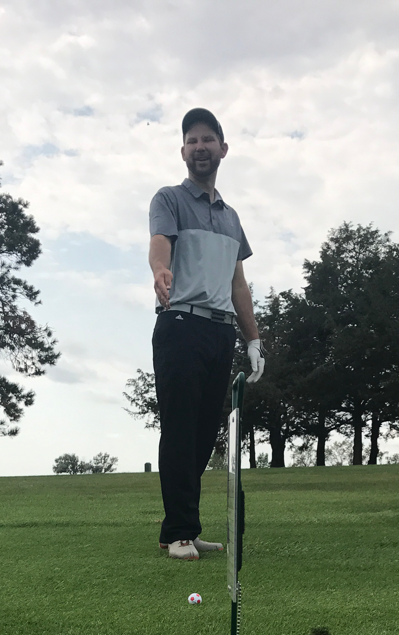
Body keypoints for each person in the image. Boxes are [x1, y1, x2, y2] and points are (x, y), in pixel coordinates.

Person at [148, 107, 264, 561]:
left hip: (220, 332)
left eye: (207, 140)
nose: (200, 147)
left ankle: (181, 528)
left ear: (223, 149)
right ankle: (180, 531)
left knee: (201, 436)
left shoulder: (232, 218)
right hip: (180, 324)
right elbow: (160, 244)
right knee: (179, 430)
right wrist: (161, 270)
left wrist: (253, 339)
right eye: (192, 140)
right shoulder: (169, 199)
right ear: (183, 151)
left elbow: (238, 284)